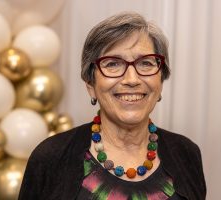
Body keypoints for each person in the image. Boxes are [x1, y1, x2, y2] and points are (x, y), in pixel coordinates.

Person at [18, 12, 206, 200]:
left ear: (161, 81)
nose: (132, 79)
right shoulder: (51, 157)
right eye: (113, 64)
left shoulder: (186, 154)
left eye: (146, 63)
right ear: (91, 85)